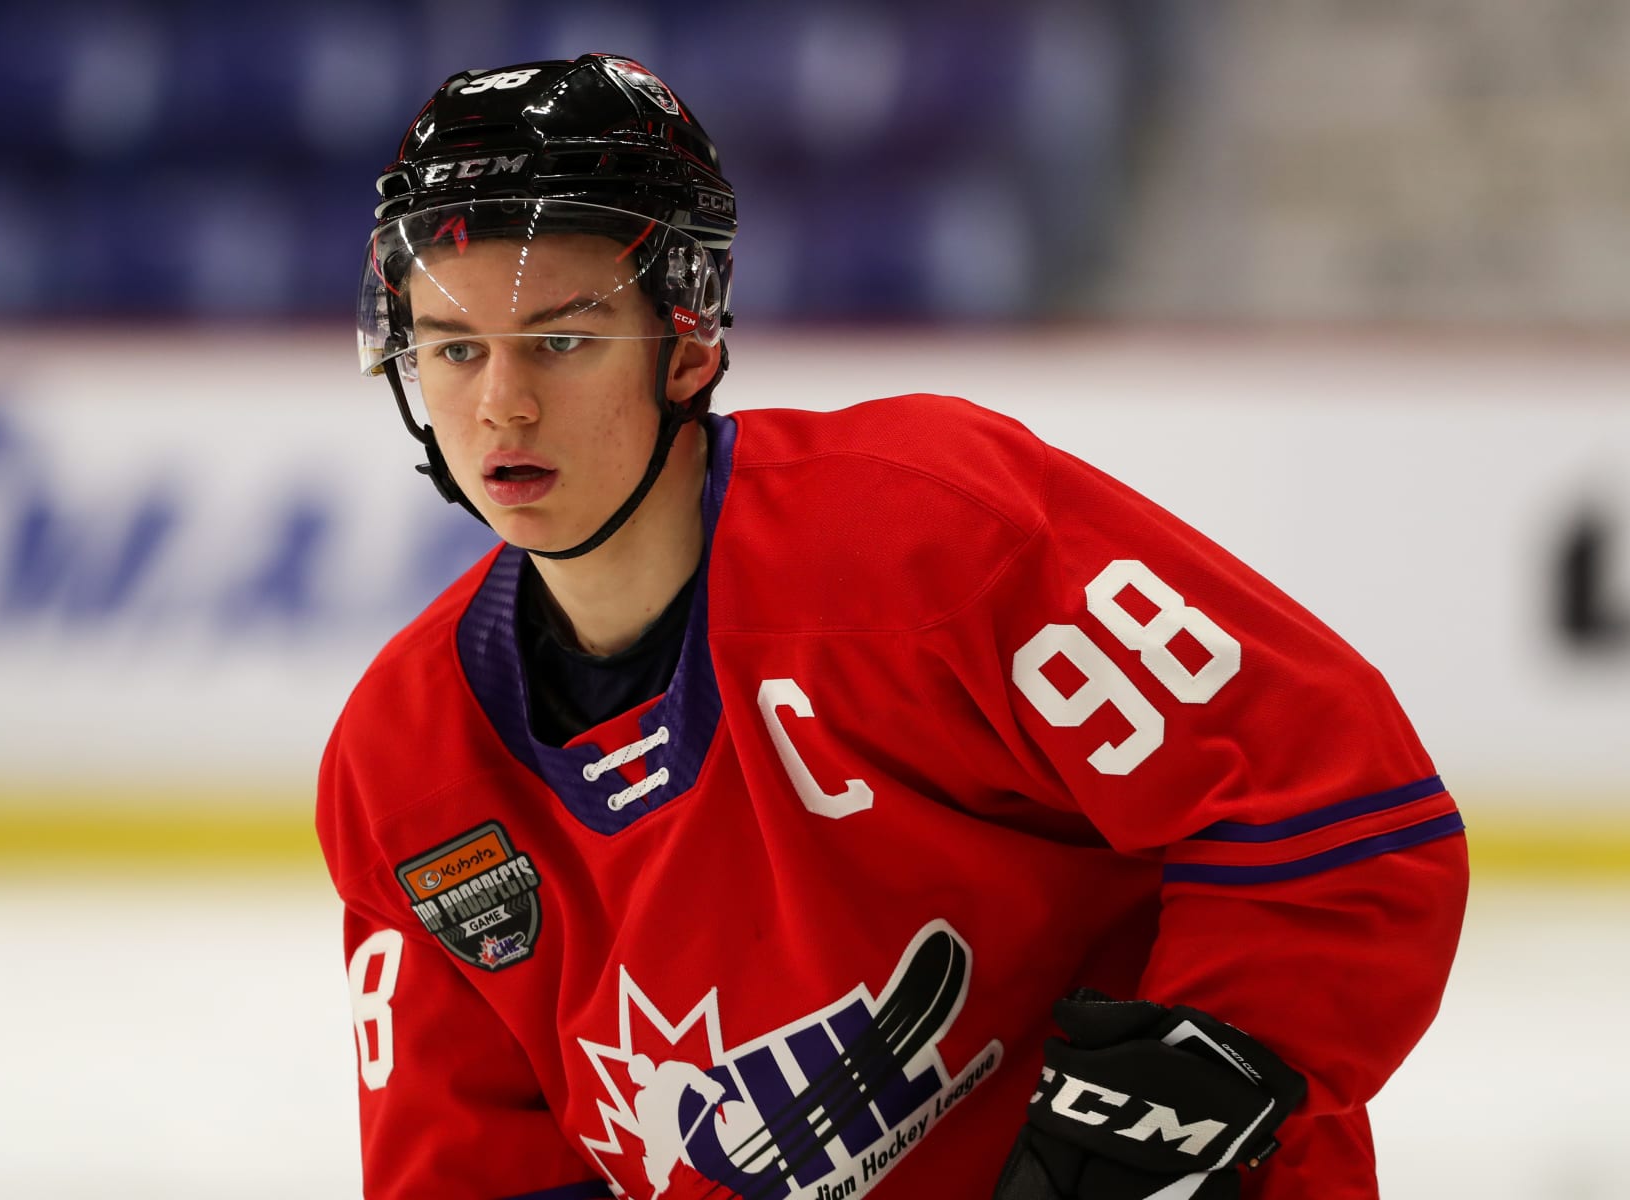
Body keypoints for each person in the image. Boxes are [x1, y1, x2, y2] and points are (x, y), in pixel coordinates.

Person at [317, 53, 1467, 1200]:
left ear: (692, 336)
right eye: (455, 348)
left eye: (563, 340)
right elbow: (473, 1171)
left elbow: (1337, 817)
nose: (499, 403)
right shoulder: (402, 771)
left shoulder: (925, 538)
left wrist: (1147, 1137)